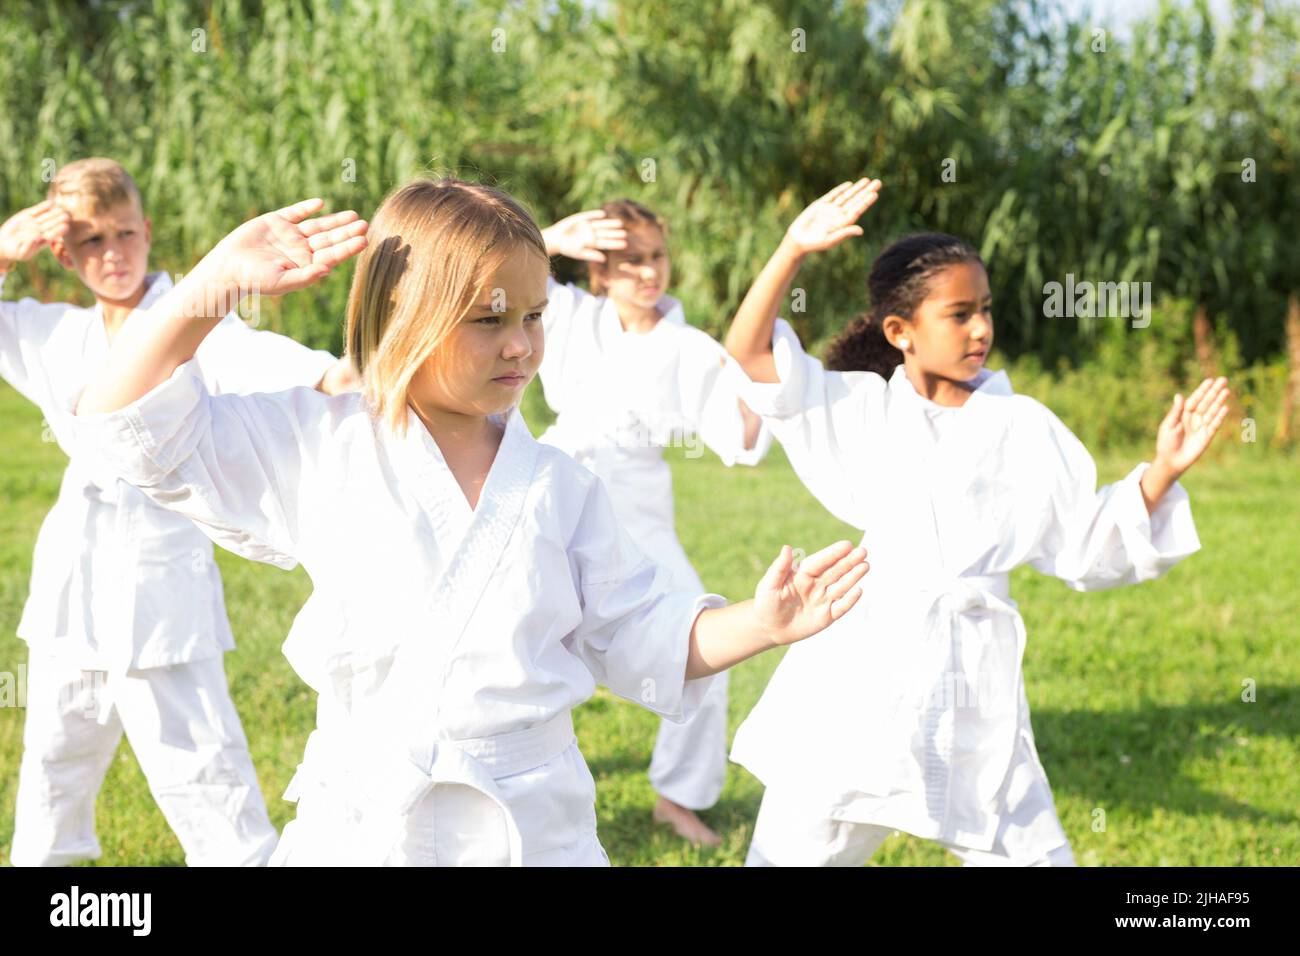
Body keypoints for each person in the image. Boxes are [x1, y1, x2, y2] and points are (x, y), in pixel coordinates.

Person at [73, 177, 870, 866]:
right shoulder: (321, 440)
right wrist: (209, 286)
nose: (522, 345)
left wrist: (758, 624)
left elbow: (639, 633)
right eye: (491, 320)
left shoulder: (561, 485)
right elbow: (125, 424)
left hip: (531, 823)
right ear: (405, 310)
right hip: (366, 817)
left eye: (533, 316)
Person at [722, 177, 1230, 866]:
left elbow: (1085, 540)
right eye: (959, 314)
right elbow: (751, 355)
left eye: (985, 310)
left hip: (973, 674)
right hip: (862, 668)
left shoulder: (1022, 427)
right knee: (800, 843)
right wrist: (792, 249)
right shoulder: (862, 411)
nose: (982, 329)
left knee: (1028, 849)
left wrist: (1163, 469)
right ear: (900, 332)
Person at [0, 158, 356, 867]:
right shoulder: (52, 335)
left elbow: (293, 367)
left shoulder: (192, 325)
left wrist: (342, 374)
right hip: (74, 575)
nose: (113, 254)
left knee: (198, 759)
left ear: (147, 230)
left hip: (161, 578)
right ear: (64, 254)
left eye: (125, 234)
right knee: (53, 756)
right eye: (93, 242)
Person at [534, 200, 770, 845]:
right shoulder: (571, 314)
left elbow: (741, 436)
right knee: (513, 635)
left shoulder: (689, 349)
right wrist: (551, 238)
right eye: (629, 261)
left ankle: (678, 797)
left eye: (656, 257)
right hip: (547, 484)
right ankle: (510, 782)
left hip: (634, 510)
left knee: (704, 644)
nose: (648, 272)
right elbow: (490, 275)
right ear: (600, 273)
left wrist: (758, 369)